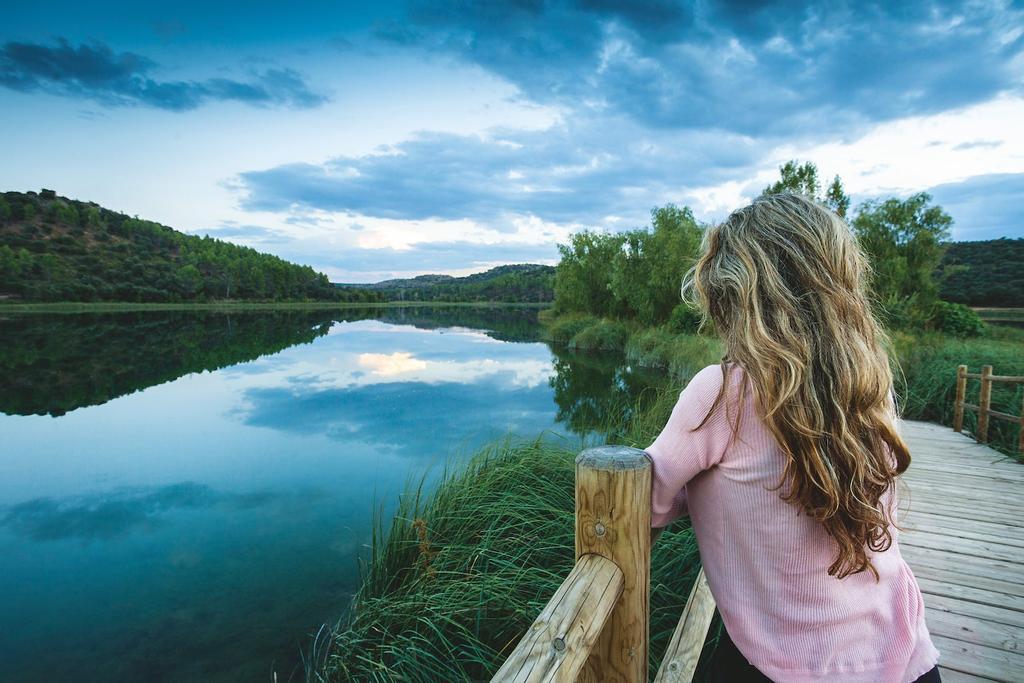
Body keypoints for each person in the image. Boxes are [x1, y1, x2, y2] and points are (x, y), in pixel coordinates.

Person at [646, 192, 941, 683]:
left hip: (785, 665)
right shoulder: (870, 383)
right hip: (903, 655)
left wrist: (691, 493)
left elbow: (643, 504)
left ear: (740, 295)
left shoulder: (723, 393)